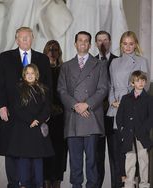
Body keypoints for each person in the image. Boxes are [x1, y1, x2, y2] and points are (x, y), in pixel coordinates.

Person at [0, 26, 52, 188]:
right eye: (22, 37)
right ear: (17, 39)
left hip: (36, 115)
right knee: (11, 149)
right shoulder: (5, 57)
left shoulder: (42, 59)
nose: (26, 40)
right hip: (12, 113)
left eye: (28, 37)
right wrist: (2, 106)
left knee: (35, 152)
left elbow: (48, 87)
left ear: (33, 38)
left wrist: (45, 114)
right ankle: (13, 184)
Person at [57, 31, 108, 188]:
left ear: (90, 45)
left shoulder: (99, 65)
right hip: (73, 117)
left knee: (92, 159)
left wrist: (87, 104)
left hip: (91, 117)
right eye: (80, 40)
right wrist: (75, 105)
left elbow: (103, 89)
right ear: (75, 44)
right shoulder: (66, 66)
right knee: (75, 159)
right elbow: (61, 90)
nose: (83, 43)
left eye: (86, 41)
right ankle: (76, 186)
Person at [107, 31, 149, 184]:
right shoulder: (114, 63)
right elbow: (111, 85)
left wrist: (126, 102)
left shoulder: (142, 61)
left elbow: (145, 86)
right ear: (121, 45)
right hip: (116, 109)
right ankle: (122, 184)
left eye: (131, 43)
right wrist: (112, 101)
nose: (128, 47)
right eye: (125, 43)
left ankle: (138, 183)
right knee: (120, 152)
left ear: (136, 44)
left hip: (133, 109)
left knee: (137, 153)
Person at [7, 64, 54, 188]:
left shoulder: (43, 89)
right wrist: (30, 120)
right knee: (24, 159)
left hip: (37, 130)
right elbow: (16, 108)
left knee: (38, 160)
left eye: (32, 73)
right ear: (24, 75)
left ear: (36, 75)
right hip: (23, 130)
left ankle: (39, 184)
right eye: (27, 73)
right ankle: (24, 184)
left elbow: (47, 108)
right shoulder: (18, 88)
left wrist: (38, 120)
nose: (30, 75)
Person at [116, 70, 153, 188]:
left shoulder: (149, 99)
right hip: (128, 135)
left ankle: (144, 184)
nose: (141, 83)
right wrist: (122, 130)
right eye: (138, 80)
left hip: (142, 135)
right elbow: (119, 116)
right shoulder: (126, 98)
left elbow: (151, 117)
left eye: (143, 80)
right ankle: (129, 184)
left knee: (143, 161)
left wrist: (144, 130)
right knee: (130, 161)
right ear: (132, 83)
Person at [94, 31, 119, 188]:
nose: (102, 43)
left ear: (110, 41)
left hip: (115, 116)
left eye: (105, 40)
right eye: (99, 40)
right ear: (96, 43)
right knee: (96, 159)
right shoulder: (91, 62)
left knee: (116, 157)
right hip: (96, 118)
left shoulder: (119, 61)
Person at [42, 40, 67, 188]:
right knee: (46, 149)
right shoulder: (40, 70)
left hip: (62, 116)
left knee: (60, 150)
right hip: (45, 116)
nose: (52, 52)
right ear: (45, 51)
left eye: (55, 49)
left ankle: (57, 181)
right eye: (50, 49)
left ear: (59, 52)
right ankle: (45, 181)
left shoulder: (64, 69)